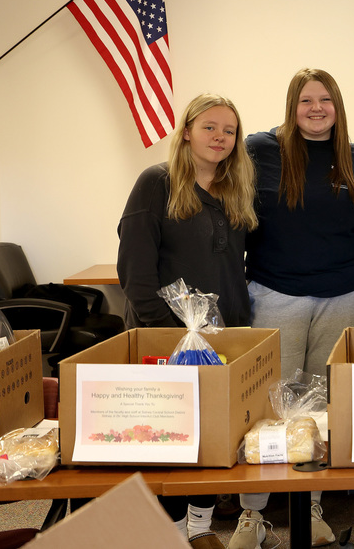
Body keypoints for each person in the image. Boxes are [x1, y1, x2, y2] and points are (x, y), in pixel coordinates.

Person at [232, 68, 354, 548]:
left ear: (338, 105)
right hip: (277, 294)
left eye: (325, 100)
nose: (316, 109)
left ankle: (311, 506)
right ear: (291, 106)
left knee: (321, 407)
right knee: (267, 406)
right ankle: (251, 516)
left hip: (346, 293)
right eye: (306, 101)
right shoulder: (259, 150)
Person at [118, 93, 258, 549]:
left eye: (230, 131)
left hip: (225, 336)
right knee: (174, 439)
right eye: (210, 127)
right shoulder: (155, 183)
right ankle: (173, 532)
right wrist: (175, 336)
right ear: (187, 131)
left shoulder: (233, 187)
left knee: (216, 436)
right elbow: (135, 275)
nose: (220, 138)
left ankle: (200, 527)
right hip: (170, 342)